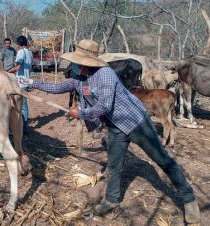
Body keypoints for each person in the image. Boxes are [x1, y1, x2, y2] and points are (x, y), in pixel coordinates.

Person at [19, 39, 201, 224]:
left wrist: (80, 113)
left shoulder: (105, 74)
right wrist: (31, 82)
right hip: (116, 127)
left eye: (76, 61)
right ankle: (111, 199)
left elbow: (104, 106)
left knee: (163, 160)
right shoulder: (79, 78)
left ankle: (189, 198)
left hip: (137, 123)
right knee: (114, 165)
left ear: (85, 61)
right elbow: (58, 87)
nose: (72, 64)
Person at [8, 36, 33, 135]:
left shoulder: (21, 52)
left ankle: (22, 128)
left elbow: (17, 67)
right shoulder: (30, 52)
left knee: (20, 106)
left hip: (21, 82)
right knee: (24, 105)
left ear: (19, 45)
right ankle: (23, 126)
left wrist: (7, 72)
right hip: (26, 81)